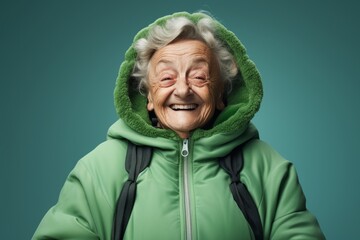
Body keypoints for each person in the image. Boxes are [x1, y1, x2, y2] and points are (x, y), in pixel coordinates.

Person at [33, 11, 325, 240]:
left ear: (221, 94)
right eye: (167, 78)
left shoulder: (270, 169)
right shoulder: (97, 170)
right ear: (147, 95)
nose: (183, 90)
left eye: (198, 76)